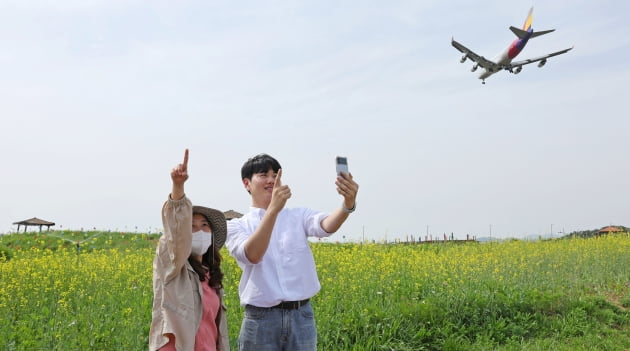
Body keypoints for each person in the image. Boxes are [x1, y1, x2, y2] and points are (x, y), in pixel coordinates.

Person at [225, 153, 359, 351]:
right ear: (247, 183)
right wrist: (273, 210)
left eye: (275, 175)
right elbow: (252, 254)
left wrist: (347, 204)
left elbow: (327, 226)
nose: (271, 180)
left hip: (301, 316)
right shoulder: (237, 226)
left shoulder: (298, 216)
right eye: (263, 175)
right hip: (260, 319)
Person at [149, 149, 230, 351]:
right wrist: (178, 186)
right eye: (192, 225)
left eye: (205, 225)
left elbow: (215, 329)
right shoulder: (171, 263)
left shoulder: (211, 274)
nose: (199, 230)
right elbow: (176, 232)